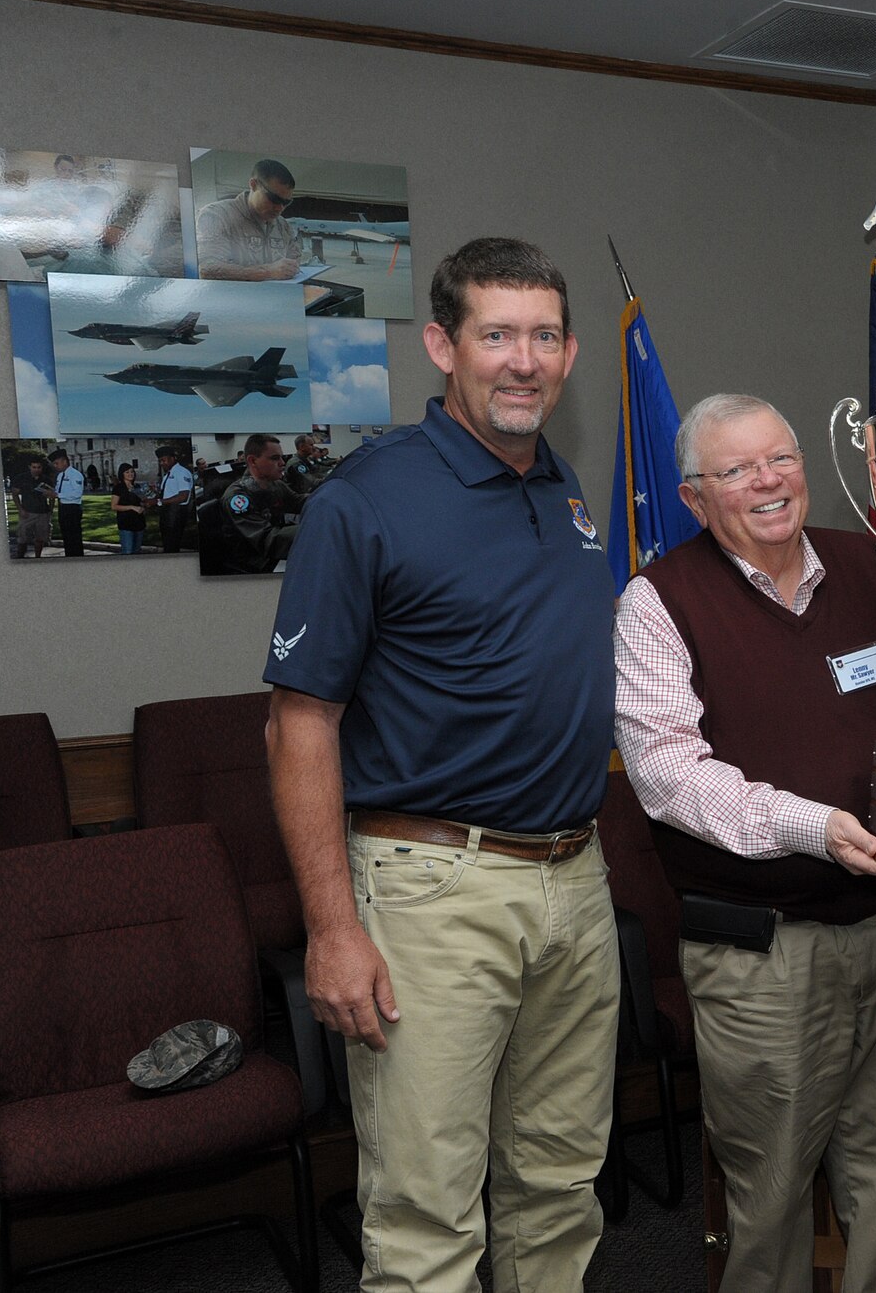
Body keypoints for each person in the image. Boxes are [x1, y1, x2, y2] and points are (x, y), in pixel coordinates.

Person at [264, 237, 617, 1293]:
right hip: (432, 891)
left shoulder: (564, 489)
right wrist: (332, 929)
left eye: (544, 336)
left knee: (558, 1190)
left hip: (575, 881)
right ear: (441, 347)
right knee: (426, 1214)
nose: (523, 360)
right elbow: (297, 726)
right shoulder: (362, 501)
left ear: (569, 353)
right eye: (496, 334)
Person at [614, 393, 876, 1293]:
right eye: (738, 470)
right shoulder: (658, 601)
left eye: (782, 459)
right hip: (766, 952)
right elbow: (667, 773)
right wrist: (813, 826)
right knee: (768, 1198)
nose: (768, 482)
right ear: (694, 497)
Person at [196, 158, 303, 281]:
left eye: (286, 202)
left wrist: (291, 268)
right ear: (253, 185)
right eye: (273, 199)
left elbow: (294, 259)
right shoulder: (217, 216)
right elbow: (207, 269)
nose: (280, 208)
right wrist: (267, 272)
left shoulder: (282, 225)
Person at [213, 433, 305, 575]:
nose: (282, 463)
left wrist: (326, 499)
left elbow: (298, 501)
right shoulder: (238, 498)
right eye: (275, 458)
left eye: (281, 457)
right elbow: (266, 539)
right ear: (253, 461)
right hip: (254, 559)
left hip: (275, 546)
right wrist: (312, 529)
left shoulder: (275, 484)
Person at [10, 457, 53, 558]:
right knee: (22, 539)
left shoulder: (46, 480)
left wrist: (50, 510)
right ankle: (20, 558)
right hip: (27, 513)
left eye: (39, 467)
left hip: (43, 513)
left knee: (40, 539)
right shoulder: (21, 478)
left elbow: (52, 496)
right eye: (34, 467)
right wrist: (20, 509)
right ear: (29, 467)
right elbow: (15, 494)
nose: (36, 469)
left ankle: (38, 558)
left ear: (42, 468)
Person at [155, 444, 195, 552]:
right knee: (167, 544)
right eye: (160, 461)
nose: (162, 463)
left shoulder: (181, 472)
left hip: (176, 514)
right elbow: (167, 493)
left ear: (172, 458)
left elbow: (183, 496)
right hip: (167, 514)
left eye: (164, 460)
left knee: (172, 545)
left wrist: (160, 501)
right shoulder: (167, 475)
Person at [48, 447, 85, 556]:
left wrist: (57, 494)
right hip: (63, 508)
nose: (55, 466)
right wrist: (51, 491)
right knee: (66, 537)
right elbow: (59, 490)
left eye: (56, 463)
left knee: (74, 538)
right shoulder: (60, 476)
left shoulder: (75, 475)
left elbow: (77, 494)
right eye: (54, 464)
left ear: (65, 461)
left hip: (72, 509)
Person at [110, 461, 147, 554]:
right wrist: (131, 507)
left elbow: (143, 501)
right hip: (126, 524)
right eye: (127, 472)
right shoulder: (118, 488)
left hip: (139, 523)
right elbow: (114, 506)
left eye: (132, 471)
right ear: (122, 474)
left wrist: (143, 506)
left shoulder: (137, 486)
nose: (130, 474)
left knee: (137, 551)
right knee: (128, 551)